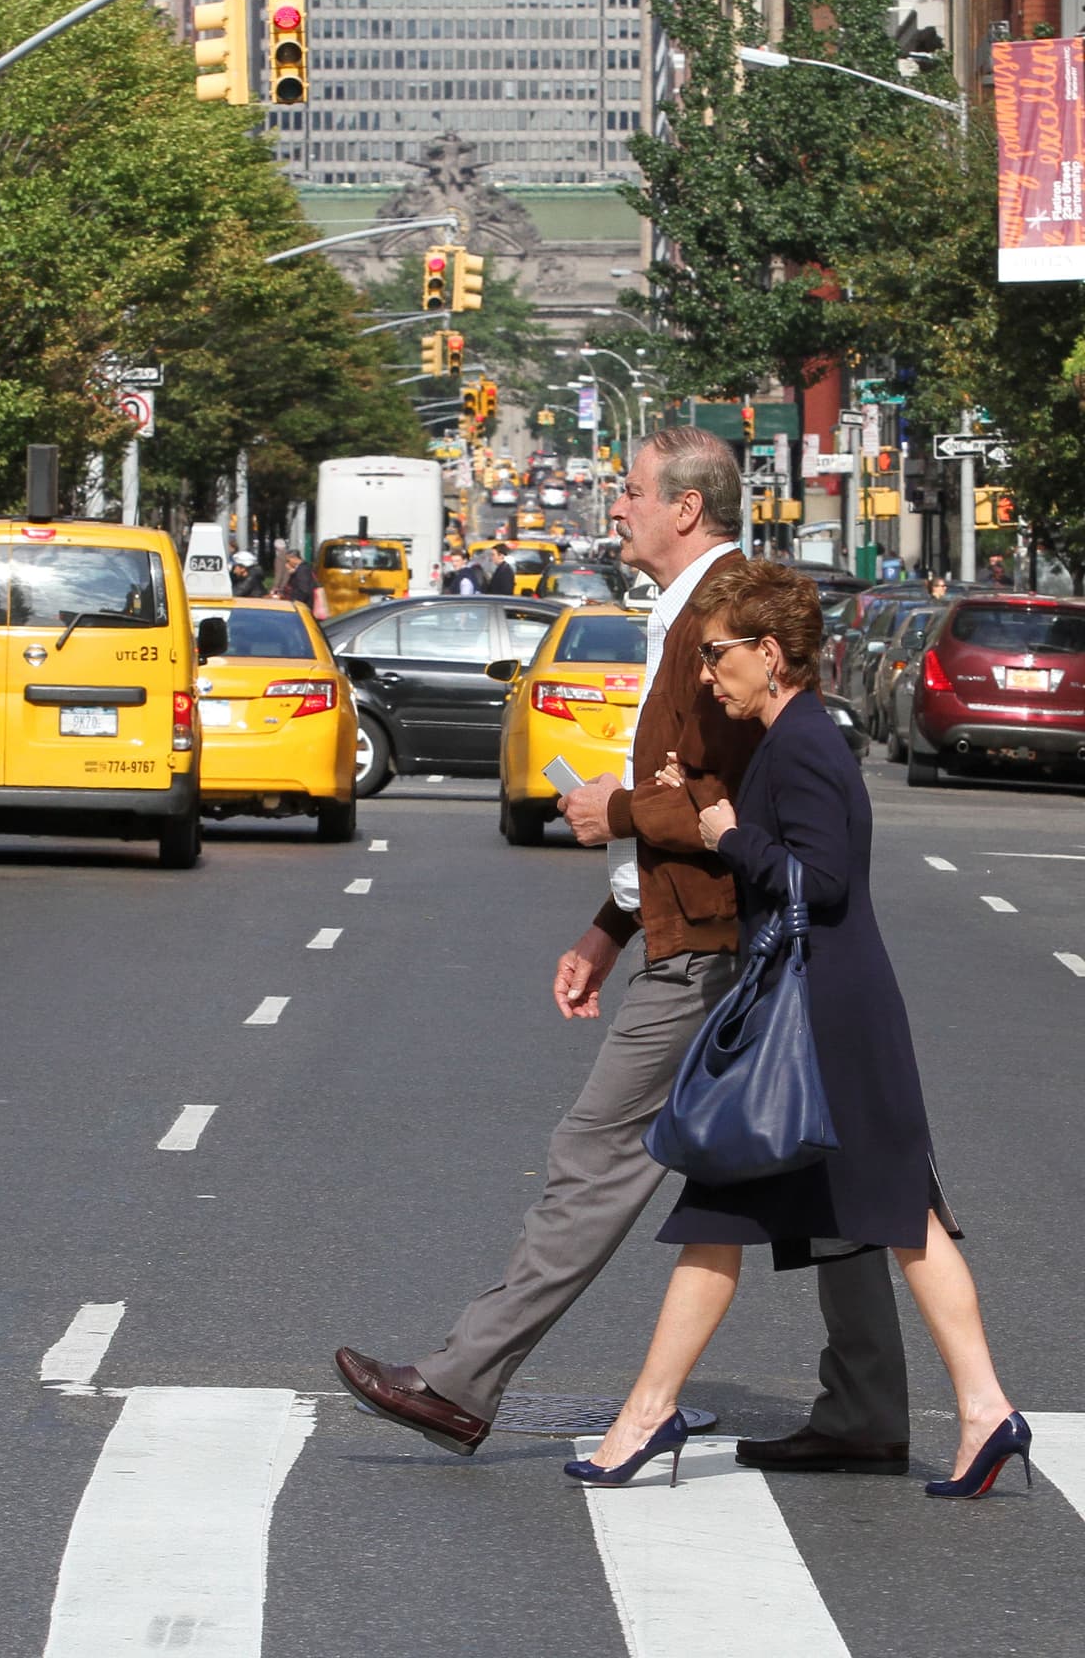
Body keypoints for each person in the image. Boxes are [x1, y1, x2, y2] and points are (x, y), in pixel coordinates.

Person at [335, 431, 911, 1469]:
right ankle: (867, 1402)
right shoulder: (693, 611)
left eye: (632, 492)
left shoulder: (722, 618)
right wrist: (607, 927)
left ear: (685, 509)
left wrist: (619, 809)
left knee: (594, 1152)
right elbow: (700, 785)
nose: (617, 508)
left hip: (716, 940)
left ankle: (462, 1380)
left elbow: (725, 794)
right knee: (822, 1163)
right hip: (701, 925)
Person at [564, 561, 1028, 1499]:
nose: (705, 675)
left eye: (718, 655)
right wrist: (707, 813)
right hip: (829, 1007)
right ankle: (985, 1412)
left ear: (770, 656)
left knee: (737, 1207)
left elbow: (824, 883)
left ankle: (647, 1417)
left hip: (819, 1016)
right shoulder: (790, 737)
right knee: (896, 1215)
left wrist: (727, 831)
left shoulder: (805, 742)